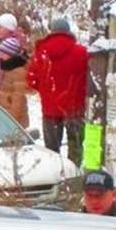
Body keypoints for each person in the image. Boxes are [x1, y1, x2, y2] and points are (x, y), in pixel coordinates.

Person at [27, 15, 88, 164]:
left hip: (50, 109)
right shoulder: (81, 52)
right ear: (68, 31)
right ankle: (74, 175)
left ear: (51, 31)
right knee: (76, 146)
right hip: (74, 108)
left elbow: (31, 79)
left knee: (52, 150)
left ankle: (56, 176)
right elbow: (89, 78)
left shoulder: (41, 53)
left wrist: (46, 90)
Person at [0, 12, 29, 128]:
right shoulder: (6, 50)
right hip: (4, 104)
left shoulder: (16, 63)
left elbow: (18, 96)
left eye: (1, 27)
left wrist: (11, 120)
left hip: (11, 113)